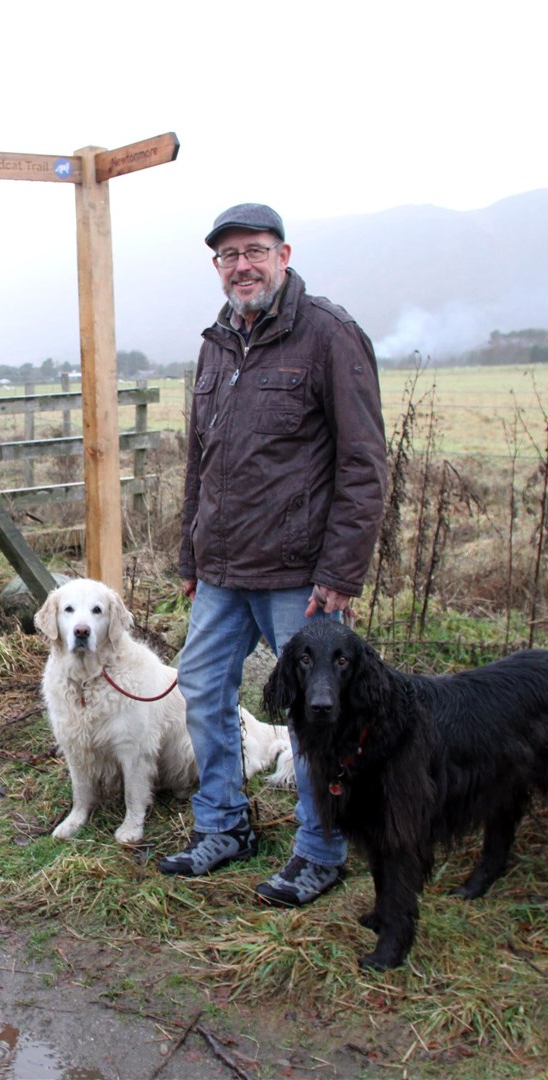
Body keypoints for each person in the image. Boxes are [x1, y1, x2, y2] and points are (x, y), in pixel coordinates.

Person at [157, 202, 388, 907]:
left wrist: (340, 574)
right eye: (229, 256)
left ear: (283, 256)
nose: (242, 266)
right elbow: (201, 460)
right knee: (200, 690)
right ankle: (224, 826)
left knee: (318, 715)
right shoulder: (216, 343)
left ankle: (321, 851)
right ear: (218, 267)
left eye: (255, 251)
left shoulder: (328, 335)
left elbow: (364, 465)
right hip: (223, 570)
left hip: (301, 577)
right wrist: (191, 556)